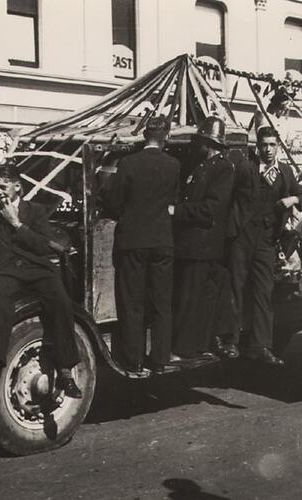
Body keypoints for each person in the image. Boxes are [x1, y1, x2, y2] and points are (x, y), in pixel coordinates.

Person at [0, 164, 82, 401]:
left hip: (39, 270)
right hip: (7, 273)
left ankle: (66, 371)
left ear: (17, 187)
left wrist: (17, 224)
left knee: (60, 301)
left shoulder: (36, 212)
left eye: (4, 186)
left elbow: (43, 246)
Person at [106, 117, 180, 375]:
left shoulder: (128, 164)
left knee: (132, 302)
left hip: (132, 241)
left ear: (144, 136)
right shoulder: (173, 165)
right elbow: (173, 201)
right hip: (161, 241)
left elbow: (114, 203)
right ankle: (159, 359)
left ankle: (134, 361)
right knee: (161, 302)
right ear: (166, 137)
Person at [225, 126, 301, 364]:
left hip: (267, 240)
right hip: (242, 237)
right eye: (264, 145)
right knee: (235, 288)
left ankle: (261, 345)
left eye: (272, 145)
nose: (268, 150)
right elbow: (227, 196)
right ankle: (231, 341)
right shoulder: (246, 168)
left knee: (264, 291)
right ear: (257, 146)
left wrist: (294, 198)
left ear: (278, 146)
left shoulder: (285, 172)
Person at [170, 117, 235, 360]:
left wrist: (177, 211)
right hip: (190, 245)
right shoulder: (201, 166)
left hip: (203, 246)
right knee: (187, 297)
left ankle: (186, 350)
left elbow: (211, 208)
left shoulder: (223, 168)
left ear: (208, 142)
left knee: (192, 300)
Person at [254, 90, 302, 157]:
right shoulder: (265, 118)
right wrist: (273, 92)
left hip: (279, 157)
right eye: (282, 108)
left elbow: (298, 136)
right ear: (276, 105)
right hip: (264, 156)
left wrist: (296, 142)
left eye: (286, 110)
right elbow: (259, 108)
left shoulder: (284, 122)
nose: (283, 112)